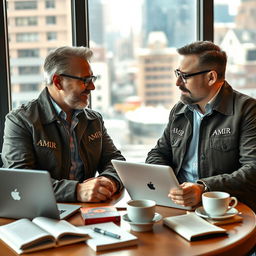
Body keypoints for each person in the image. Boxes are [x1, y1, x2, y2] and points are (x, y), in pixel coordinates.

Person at [1, 46, 125, 203]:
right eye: (85, 80)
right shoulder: (20, 121)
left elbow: (115, 161)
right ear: (58, 82)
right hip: (42, 214)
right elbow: (21, 181)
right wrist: (77, 191)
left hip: (88, 210)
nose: (92, 87)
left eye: (92, 79)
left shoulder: (94, 120)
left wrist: (109, 180)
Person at [146, 40, 256, 212]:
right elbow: (159, 152)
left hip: (224, 208)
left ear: (211, 77)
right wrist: (167, 183)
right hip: (178, 204)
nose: (177, 83)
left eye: (185, 76)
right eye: (177, 73)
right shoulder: (179, 110)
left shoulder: (247, 110)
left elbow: (252, 170)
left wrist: (204, 188)